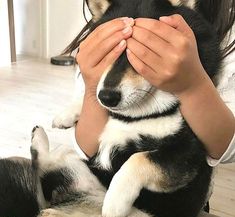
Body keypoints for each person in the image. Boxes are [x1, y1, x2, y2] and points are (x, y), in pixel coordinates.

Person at [64, 0, 235, 167]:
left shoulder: (226, 26)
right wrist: (92, 86)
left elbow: (227, 148)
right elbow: (87, 149)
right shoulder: (106, 20)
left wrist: (192, 86)